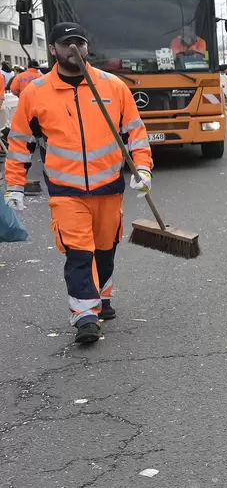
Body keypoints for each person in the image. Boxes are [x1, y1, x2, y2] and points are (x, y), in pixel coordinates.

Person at [4, 23, 153, 344]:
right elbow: (20, 142)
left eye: (80, 42)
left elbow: (135, 133)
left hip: (108, 188)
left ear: (88, 47)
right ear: (54, 49)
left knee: (105, 248)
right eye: (66, 43)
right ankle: (85, 315)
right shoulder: (36, 92)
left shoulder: (113, 87)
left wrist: (143, 169)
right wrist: (14, 185)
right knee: (78, 252)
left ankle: (102, 296)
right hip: (65, 191)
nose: (74, 48)